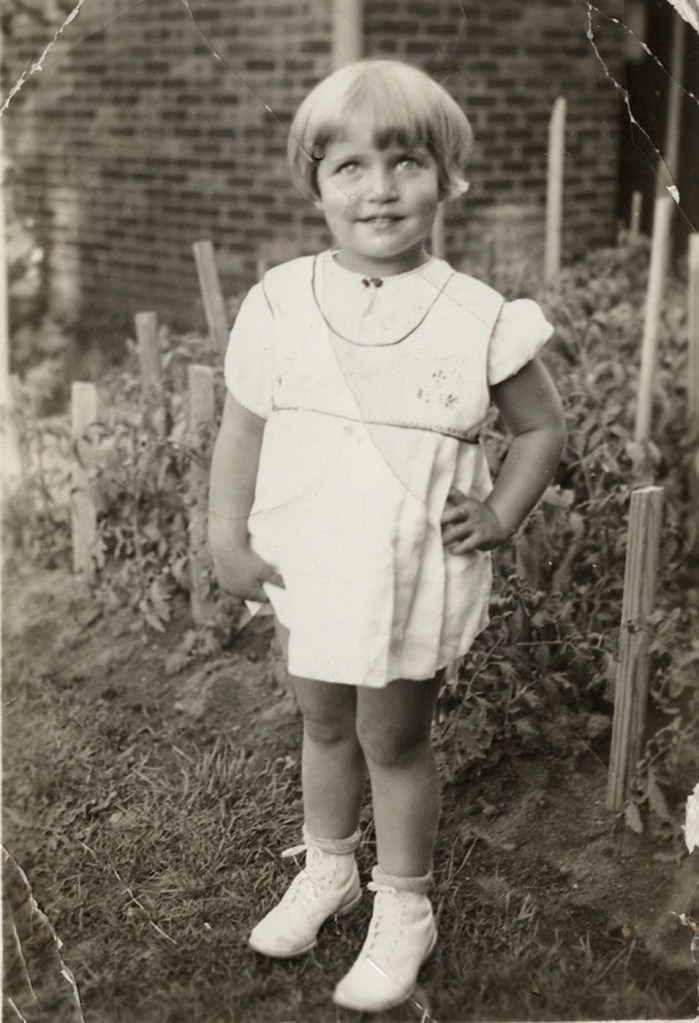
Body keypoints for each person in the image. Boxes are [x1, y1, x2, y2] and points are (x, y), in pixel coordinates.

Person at [208, 59, 566, 1013]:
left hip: (409, 567)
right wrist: (226, 535)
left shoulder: (474, 314)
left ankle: (404, 904)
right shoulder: (280, 300)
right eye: (350, 167)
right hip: (308, 556)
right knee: (321, 718)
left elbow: (542, 427)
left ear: (446, 177)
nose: (378, 189)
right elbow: (242, 427)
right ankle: (327, 867)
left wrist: (499, 512)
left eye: (405, 162)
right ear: (315, 182)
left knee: (391, 734)